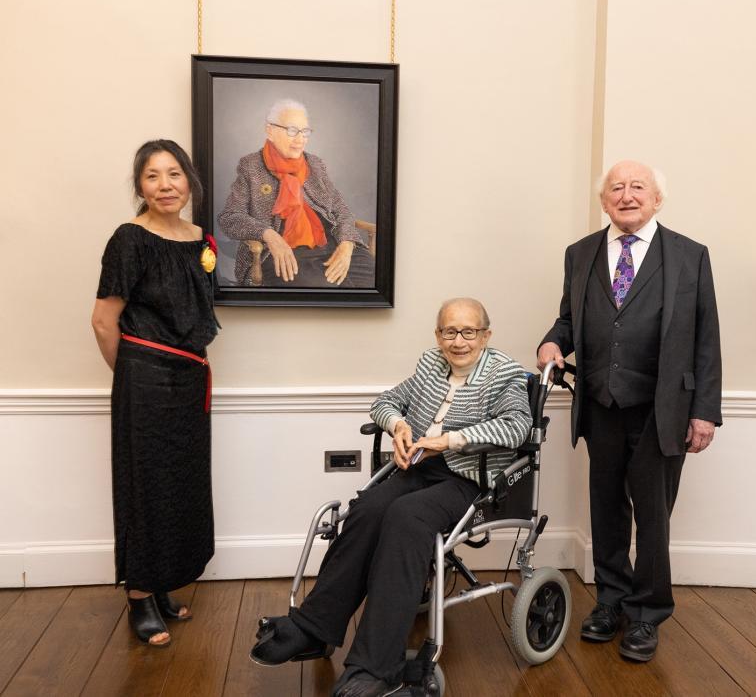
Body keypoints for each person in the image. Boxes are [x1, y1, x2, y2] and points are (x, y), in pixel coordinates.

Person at [250, 298, 531, 697]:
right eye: (449, 331)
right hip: (417, 467)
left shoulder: (504, 373)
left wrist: (449, 440)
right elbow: (384, 401)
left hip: (468, 477)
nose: (459, 341)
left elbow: (518, 427)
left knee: (406, 517)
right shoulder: (429, 364)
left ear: (486, 334)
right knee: (367, 509)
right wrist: (399, 425)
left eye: (469, 332)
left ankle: (377, 664)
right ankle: (314, 628)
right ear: (438, 335)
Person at [537, 160, 722, 662]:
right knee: (607, 511)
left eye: (638, 186)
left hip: (663, 409)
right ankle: (611, 602)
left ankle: (647, 613)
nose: (627, 195)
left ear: (657, 199)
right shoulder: (580, 254)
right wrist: (553, 343)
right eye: (616, 188)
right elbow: (568, 320)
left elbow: (706, 338)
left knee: (653, 515)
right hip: (601, 406)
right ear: (604, 201)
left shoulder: (689, 256)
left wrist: (704, 411)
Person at [91, 140, 220, 646]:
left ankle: (163, 584)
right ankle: (140, 597)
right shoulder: (129, 239)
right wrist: (134, 378)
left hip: (190, 382)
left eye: (174, 174)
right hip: (145, 383)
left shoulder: (198, 239)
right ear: (139, 186)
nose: (165, 185)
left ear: (189, 181)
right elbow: (104, 322)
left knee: (180, 488)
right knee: (145, 489)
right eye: (152, 176)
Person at [218, 98, 374, 288]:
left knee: (371, 279)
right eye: (292, 131)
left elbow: (341, 209)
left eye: (305, 131)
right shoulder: (251, 166)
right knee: (324, 295)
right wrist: (268, 235)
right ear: (270, 130)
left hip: (330, 244)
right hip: (282, 254)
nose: (300, 139)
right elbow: (229, 217)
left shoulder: (315, 164)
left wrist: (347, 244)